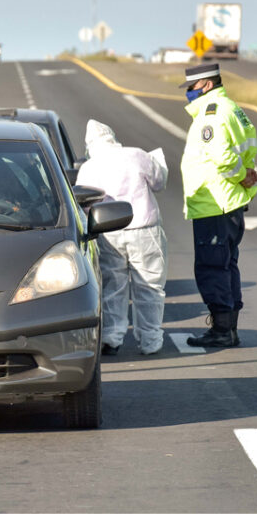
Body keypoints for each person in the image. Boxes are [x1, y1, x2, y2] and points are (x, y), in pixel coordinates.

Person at [179, 63, 257, 348]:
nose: (188, 93)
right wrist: (246, 174)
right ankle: (229, 328)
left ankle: (222, 330)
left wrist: (240, 175)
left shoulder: (210, 115)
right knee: (227, 266)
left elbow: (223, 157)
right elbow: (250, 147)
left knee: (212, 267)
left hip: (215, 201)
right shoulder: (233, 108)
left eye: (191, 87)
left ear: (206, 85)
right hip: (230, 201)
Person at [76, 119, 168, 356]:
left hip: (109, 231)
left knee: (113, 287)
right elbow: (160, 182)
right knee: (149, 285)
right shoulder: (137, 155)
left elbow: (83, 203)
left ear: (90, 145)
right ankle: (151, 340)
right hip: (145, 230)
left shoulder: (89, 167)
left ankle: (111, 337)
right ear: (112, 136)